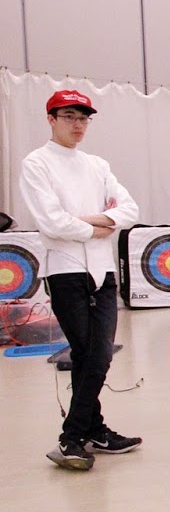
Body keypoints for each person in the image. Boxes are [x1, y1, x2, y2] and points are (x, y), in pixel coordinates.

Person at [19, 90, 142, 470]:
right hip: (66, 270)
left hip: (102, 272)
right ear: (51, 119)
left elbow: (130, 210)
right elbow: (51, 221)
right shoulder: (36, 163)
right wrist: (98, 224)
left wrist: (82, 219)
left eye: (84, 118)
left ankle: (90, 431)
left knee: (97, 352)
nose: (77, 125)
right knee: (91, 352)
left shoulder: (97, 165)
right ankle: (73, 438)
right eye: (69, 116)